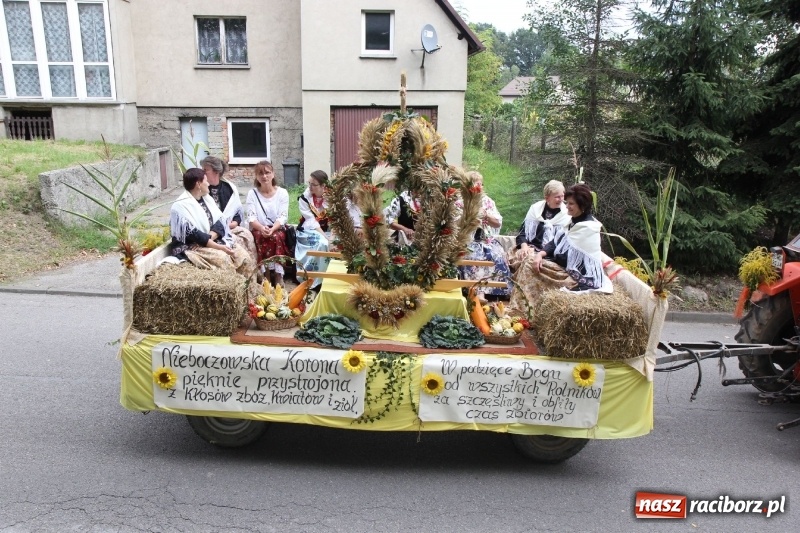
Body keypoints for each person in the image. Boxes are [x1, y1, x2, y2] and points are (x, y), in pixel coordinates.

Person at [509, 183, 612, 313]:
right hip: (565, 266)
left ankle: (526, 311)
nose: (567, 206)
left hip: (578, 277)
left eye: (571, 204)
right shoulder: (574, 220)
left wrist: (545, 258)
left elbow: (566, 258)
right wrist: (540, 254)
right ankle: (524, 309)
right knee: (529, 260)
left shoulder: (587, 228)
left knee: (530, 264)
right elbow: (555, 242)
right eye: (567, 202)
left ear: (583, 206)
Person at [168, 168, 256, 284]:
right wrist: (220, 247)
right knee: (223, 259)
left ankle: (250, 294)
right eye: (206, 181)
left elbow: (220, 222)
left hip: (209, 241)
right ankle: (233, 293)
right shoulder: (180, 207)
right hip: (192, 247)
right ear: (198, 184)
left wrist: (210, 238)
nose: (208, 184)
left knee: (243, 256)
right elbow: (195, 236)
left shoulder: (206, 199)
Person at [457, 171, 512, 298]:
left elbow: (497, 223)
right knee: (472, 256)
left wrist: (487, 215)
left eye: (480, 185)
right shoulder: (460, 202)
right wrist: (469, 218)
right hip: (467, 240)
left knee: (497, 255)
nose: (479, 188)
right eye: (475, 185)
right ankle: (475, 293)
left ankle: (498, 293)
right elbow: (454, 224)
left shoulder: (488, 202)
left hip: (485, 240)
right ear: (467, 187)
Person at [200, 155, 257, 264]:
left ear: (216, 172)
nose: (202, 173)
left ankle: (255, 271)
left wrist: (235, 222)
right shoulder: (201, 189)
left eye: (205, 170)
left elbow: (237, 210)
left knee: (247, 236)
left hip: (229, 227)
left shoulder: (229, 188)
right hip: (208, 230)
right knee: (235, 244)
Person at [245, 160, 290, 286]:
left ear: (273, 174)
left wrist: (273, 228)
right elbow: (251, 217)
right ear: (256, 176)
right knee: (259, 236)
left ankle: (278, 274)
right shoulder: (252, 194)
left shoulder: (282, 193)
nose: (264, 176)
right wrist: (261, 228)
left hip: (277, 227)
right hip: (259, 228)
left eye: (267, 173)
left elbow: (283, 216)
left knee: (277, 237)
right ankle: (266, 274)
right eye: (260, 174)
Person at [513, 180, 571, 261]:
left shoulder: (566, 214)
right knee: (517, 257)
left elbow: (564, 242)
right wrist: (524, 246)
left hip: (553, 253)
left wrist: (542, 253)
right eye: (557, 197)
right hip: (532, 248)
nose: (561, 199)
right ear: (547, 198)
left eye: (562, 196)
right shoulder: (535, 209)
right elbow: (523, 233)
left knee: (531, 264)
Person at [295, 170, 331, 288]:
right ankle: (315, 280)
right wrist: (326, 237)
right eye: (309, 183)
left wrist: (333, 236)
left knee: (337, 242)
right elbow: (311, 221)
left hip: (329, 229)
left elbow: (336, 219)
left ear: (323, 186)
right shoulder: (305, 198)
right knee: (322, 243)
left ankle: (331, 277)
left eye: (313, 184)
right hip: (309, 230)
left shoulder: (332, 197)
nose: (310, 187)